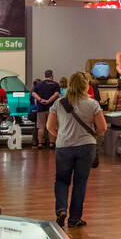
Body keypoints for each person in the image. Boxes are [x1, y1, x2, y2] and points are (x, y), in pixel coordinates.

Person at [46, 71, 106, 228]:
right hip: (86, 147)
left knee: (61, 180)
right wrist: (94, 137)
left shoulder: (59, 103)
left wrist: (60, 135)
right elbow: (102, 128)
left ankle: (61, 210)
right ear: (85, 86)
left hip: (64, 146)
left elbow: (49, 126)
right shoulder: (93, 104)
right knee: (80, 182)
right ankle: (75, 219)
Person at [31, 69, 60, 149]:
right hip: (52, 109)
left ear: (45, 75)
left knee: (41, 126)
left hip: (41, 108)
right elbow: (56, 94)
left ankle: (40, 143)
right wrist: (49, 101)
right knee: (52, 126)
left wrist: (40, 100)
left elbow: (33, 93)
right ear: (52, 75)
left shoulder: (39, 84)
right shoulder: (55, 84)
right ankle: (51, 143)